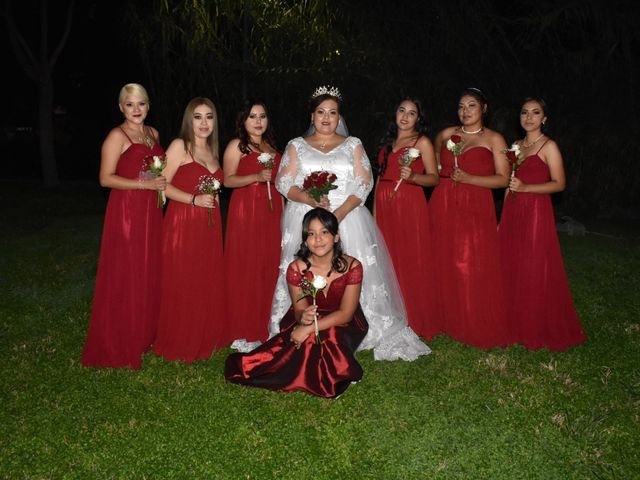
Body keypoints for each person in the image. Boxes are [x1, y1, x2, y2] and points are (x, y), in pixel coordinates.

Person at [269, 85, 430, 361]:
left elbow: (364, 181)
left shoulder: (353, 144)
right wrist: (308, 197)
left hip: (347, 215)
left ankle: (358, 321)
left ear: (339, 116)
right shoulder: (296, 145)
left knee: (353, 268)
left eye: (332, 112)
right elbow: (283, 182)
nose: (326, 118)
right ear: (312, 116)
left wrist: (338, 215)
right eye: (321, 112)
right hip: (306, 215)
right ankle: (305, 316)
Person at [225, 208, 368, 398]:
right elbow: (299, 310)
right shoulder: (296, 269)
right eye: (311, 234)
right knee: (303, 344)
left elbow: (346, 313)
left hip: (345, 321)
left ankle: (339, 375)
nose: (318, 239)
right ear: (305, 240)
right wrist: (304, 318)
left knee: (327, 335)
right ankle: (319, 372)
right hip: (309, 315)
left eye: (324, 232)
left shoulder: (353, 266)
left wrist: (308, 329)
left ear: (336, 237)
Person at [82, 83, 166, 368]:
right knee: (127, 270)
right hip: (127, 211)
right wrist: (143, 184)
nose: (136, 109)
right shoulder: (116, 136)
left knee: (148, 267)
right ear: (121, 107)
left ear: (148, 106)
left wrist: (160, 185)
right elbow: (105, 179)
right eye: (130, 104)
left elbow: (159, 171)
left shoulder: (153, 134)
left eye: (141, 104)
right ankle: (121, 335)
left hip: (151, 212)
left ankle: (144, 332)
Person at [499, 97, 586, 350]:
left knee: (533, 266)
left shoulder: (549, 146)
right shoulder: (515, 145)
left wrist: (527, 188)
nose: (529, 117)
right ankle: (512, 322)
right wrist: (503, 217)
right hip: (514, 210)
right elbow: (509, 183)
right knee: (512, 263)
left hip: (537, 210)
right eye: (525, 112)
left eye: (535, 113)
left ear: (544, 118)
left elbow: (559, 184)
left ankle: (533, 325)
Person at [430, 87, 511, 349]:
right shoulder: (444, 135)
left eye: (472, 105)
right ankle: (443, 316)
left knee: (468, 263)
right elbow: (434, 169)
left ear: (484, 108)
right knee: (441, 259)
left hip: (475, 205)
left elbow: (503, 179)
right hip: (442, 202)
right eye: (461, 106)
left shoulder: (494, 139)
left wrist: (470, 179)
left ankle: (469, 320)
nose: (465, 111)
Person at [153, 97, 230, 362]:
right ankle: (180, 337)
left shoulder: (213, 151)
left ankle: (205, 333)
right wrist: (194, 199)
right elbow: (160, 183)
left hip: (209, 225)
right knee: (183, 279)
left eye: (209, 117)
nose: (204, 123)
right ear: (189, 120)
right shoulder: (179, 146)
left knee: (204, 278)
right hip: (182, 223)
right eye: (198, 117)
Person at [374, 97, 440, 339]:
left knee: (411, 257)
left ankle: (415, 315)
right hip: (385, 202)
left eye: (412, 113)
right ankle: (392, 313)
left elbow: (433, 178)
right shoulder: (388, 142)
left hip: (409, 203)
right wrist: (375, 212)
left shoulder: (422, 142)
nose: (405, 116)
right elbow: (380, 178)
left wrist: (413, 176)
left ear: (418, 119)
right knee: (387, 257)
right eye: (402, 110)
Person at [223, 100, 283, 350]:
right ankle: (243, 325)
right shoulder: (237, 146)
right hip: (246, 210)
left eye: (262, 116)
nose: (258, 121)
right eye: (252, 117)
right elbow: (227, 180)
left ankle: (266, 321)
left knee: (269, 263)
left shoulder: (273, 146)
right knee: (247, 264)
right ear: (243, 121)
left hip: (272, 211)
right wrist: (256, 177)